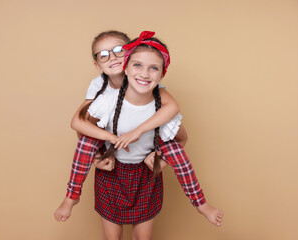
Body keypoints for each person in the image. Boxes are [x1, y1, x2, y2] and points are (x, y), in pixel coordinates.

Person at [54, 31, 224, 234]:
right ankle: (72, 196)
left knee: (172, 147)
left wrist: (158, 157)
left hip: (144, 174)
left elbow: (181, 135)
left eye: (118, 51)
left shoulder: (159, 100)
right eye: (104, 54)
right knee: (87, 142)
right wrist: (99, 154)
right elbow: (80, 125)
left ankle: (200, 203)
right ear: (126, 67)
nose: (144, 73)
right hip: (112, 172)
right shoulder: (103, 95)